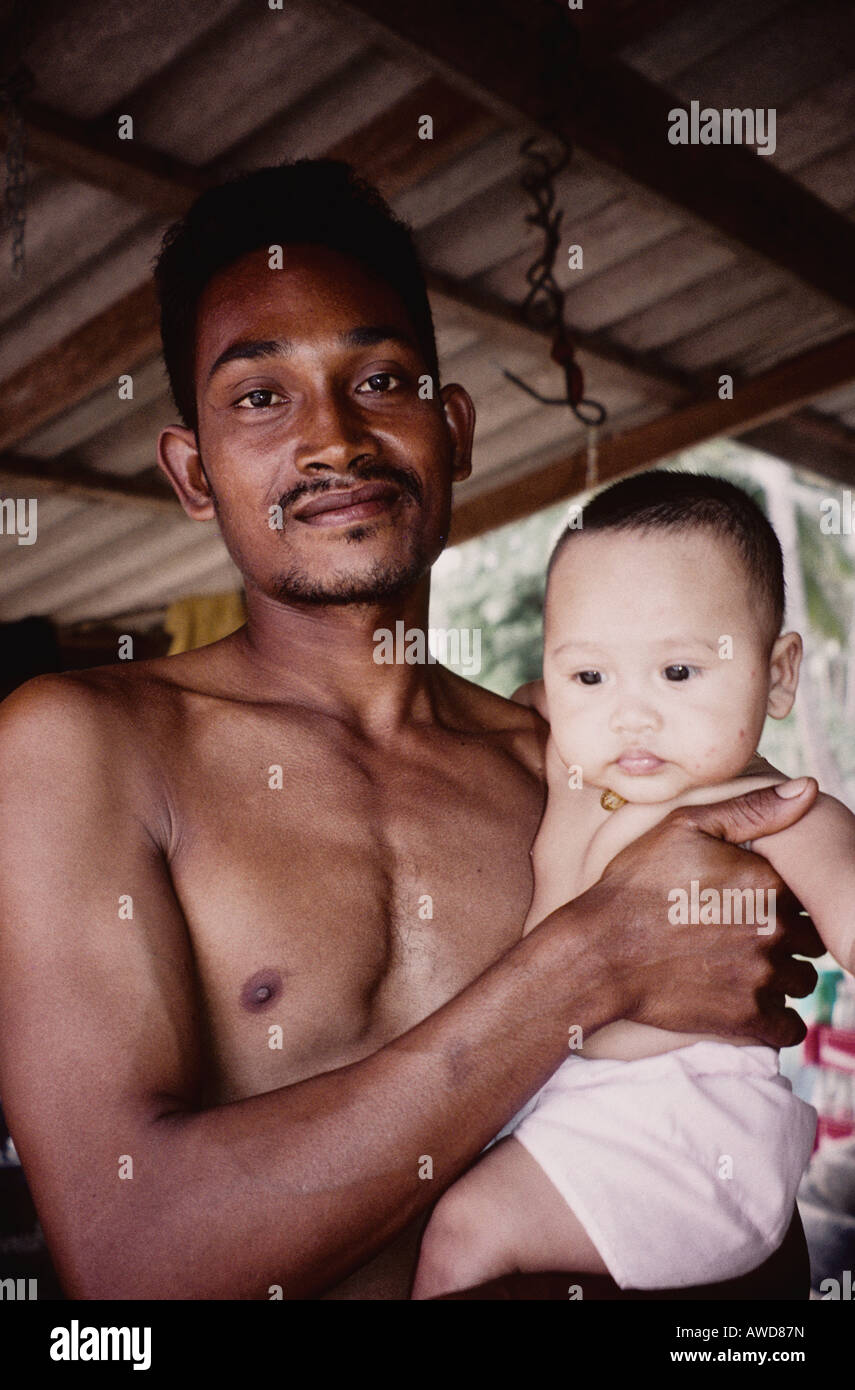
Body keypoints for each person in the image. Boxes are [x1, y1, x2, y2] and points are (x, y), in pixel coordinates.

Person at [0, 161, 822, 1300]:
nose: (333, 438)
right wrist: (590, 960)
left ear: (454, 428)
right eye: (259, 396)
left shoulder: (587, 772)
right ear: (194, 471)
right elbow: (129, 1257)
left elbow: (719, 1160)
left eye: (380, 378)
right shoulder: (83, 744)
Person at [412, 471, 855, 1299]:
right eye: (590, 678)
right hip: (566, 1105)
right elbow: (528, 697)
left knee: (462, 1233)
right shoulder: (562, 745)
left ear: (779, 675)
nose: (630, 716)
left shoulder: (775, 808)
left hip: (681, 1130)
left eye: (679, 673)